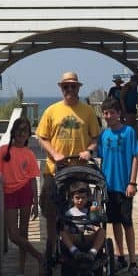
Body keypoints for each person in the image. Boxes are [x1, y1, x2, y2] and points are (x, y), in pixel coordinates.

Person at [36, 71, 100, 253]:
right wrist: (54, 153)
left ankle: (77, 242)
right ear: (61, 88)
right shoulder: (51, 110)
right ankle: (51, 247)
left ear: (78, 88)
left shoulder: (87, 111)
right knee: (51, 211)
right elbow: (42, 137)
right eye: (66, 86)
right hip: (54, 169)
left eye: (73, 86)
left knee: (81, 208)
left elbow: (95, 137)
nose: (69, 89)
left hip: (79, 170)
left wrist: (88, 150)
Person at [0, 116, 43, 276]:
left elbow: (33, 179)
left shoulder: (29, 153)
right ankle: (39, 257)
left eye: (25, 131)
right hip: (9, 194)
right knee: (14, 236)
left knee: (24, 233)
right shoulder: (4, 150)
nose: (22, 134)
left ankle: (21, 273)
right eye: (19, 130)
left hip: (25, 193)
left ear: (29, 134)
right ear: (14, 132)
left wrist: (36, 201)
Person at [98, 97, 138, 276]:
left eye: (112, 113)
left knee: (127, 223)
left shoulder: (129, 132)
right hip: (108, 186)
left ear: (119, 113)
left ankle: (133, 262)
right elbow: (101, 159)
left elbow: (135, 158)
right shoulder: (103, 135)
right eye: (106, 113)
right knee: (114, 222)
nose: (109, 116)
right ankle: (120, 256)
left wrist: (132, 183)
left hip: (124, 186)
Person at [60, 181, 106, 261]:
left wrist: (96, 206)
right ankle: (74, 251)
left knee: (102, 231)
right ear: (72, 198)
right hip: (74, 238)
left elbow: (96, 223)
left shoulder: (91, 211)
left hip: (88, 237)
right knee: (62, 232)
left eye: (83, 198)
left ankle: (93, 252)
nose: (80, 200)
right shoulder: (69, 212)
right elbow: (65, 227)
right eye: (77, 198)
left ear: (87, 198)